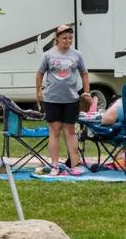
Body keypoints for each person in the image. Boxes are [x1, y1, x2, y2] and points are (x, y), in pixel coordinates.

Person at [35, 24, 89, 176]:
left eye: (70, 38)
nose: (67, 40)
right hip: (52, 99)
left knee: (70, 131)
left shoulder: (77, 55)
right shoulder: (48, 55)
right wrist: (38, 91)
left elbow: (84, 73)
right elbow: (39, 74)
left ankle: (75, 165)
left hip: (71, 99)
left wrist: (87, 92)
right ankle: (54, 166)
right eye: (64, 38)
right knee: (55, 131)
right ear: (57, 38)